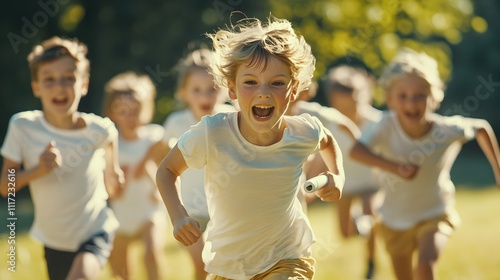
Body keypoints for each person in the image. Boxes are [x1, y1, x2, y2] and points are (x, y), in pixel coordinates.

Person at [156, 16, 345, 279]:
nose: (263, 92)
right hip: (228, 267)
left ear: (293, 91)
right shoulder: (212, 132)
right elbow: (166, 170)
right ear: (231, 89)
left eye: (277, 83)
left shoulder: (302, 131)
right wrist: (178, 216)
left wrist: (338, 176)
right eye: (250, 82)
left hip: (287, 258)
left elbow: (327, 140)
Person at [350, 48, 500, 280]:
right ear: (389, 99)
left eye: (420, 95)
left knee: (425, 266)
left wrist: (498, 172)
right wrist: (394, 168)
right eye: (403, 96)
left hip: (435, 213)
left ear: (435, 96)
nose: (412, 102)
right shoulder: (384, 125)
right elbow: (356, 150)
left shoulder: (445, 130)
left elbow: (481, 128)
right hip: (393, 219)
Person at [0, 36, 123, 280]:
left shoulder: (100, 130)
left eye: (69, 78)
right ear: (36, 87)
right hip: (54, 238)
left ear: (84, 84)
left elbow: (113, 177)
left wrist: (114, 175)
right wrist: (37, 170)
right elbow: (6, 186)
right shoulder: (22, 127)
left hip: (94, 230)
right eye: (49, 79)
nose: (60, 86)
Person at [161, 48, 235, 280]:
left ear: (225, 89)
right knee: (202, 266)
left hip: (225, 208)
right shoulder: (175, 123)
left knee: (228, 268)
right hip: (190, 210)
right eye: (196, 90)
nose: (205, 96)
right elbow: (162, 161)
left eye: (212, 89)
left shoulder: (232, 118)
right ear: (183, 92)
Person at [321, 64, 383, 279]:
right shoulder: (330, 124)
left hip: (372, 182)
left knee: (371, 213)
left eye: (354, 104)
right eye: (343, 108)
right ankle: (359, 223)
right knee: (345, 233)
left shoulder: (378, 122)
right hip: (346, 184)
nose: (349, 113)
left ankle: (371, 263)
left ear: (364, 96)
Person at [103, 72, 167, 280]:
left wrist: (158, 190)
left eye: (136, 110)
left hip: (149, 207)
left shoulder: (154, 137)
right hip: (121, 212)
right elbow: (110, 188)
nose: (131, 117)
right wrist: (117, 184)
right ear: (112, 112)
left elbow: (167, 171)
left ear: (147, 110)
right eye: (123, 111)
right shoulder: (111, 144)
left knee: (151, 253)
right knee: (120, 270)